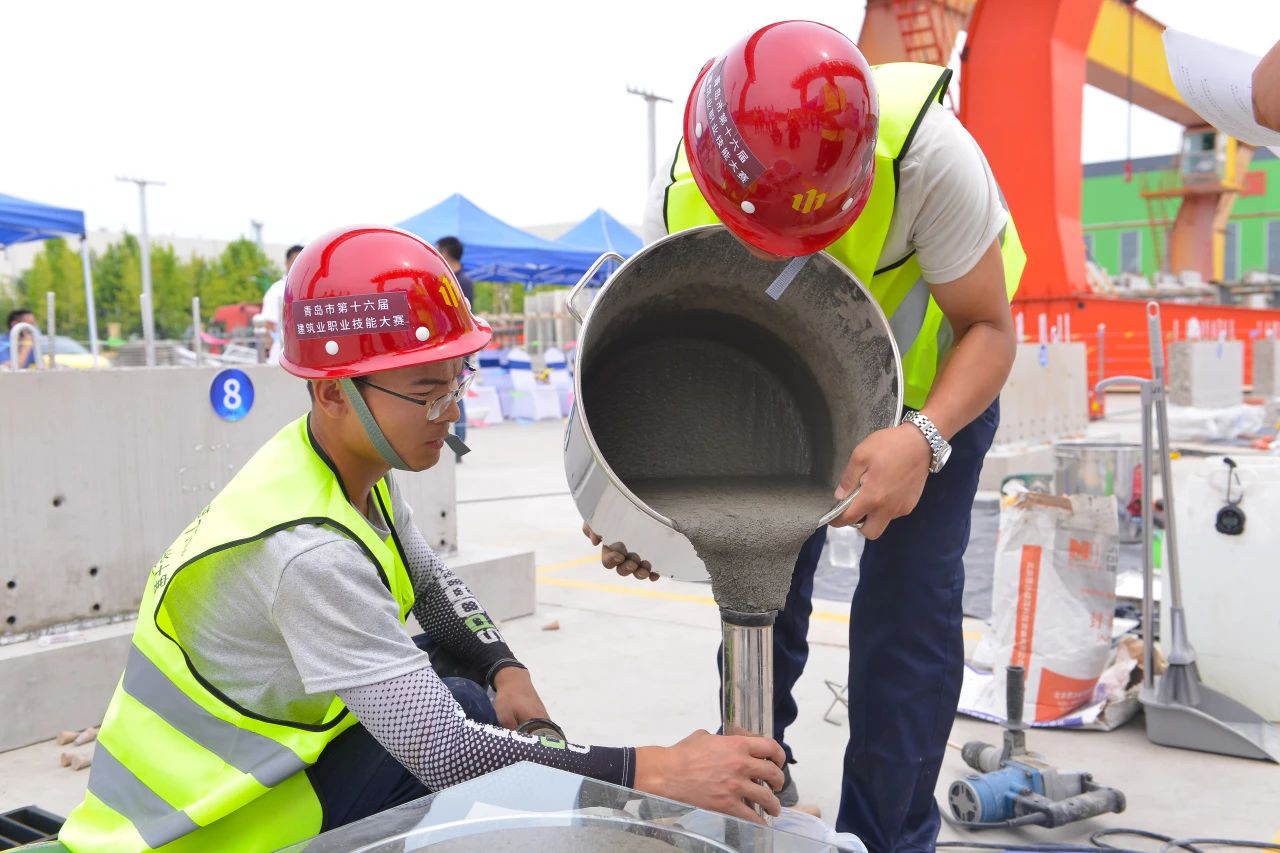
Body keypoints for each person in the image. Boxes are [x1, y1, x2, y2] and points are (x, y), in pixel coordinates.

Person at [58, 226, 784, 853]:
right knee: (466, 732)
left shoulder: (341, 468)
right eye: (427, 393)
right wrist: (655, 770)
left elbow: (432, 585)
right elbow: (443, 750)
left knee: (468, 692)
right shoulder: (306, 552)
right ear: (334, 391)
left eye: (456, 383)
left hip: (265, 772)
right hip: (206, 828)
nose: (450, 412)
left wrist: (505, 667)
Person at [590, 21, 1025, 852]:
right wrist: (626, 510)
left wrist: (924, 437)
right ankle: (756, 791)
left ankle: (884, 835)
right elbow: (651, 369)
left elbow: (990, 329)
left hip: (935, 396)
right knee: (758, 587)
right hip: (778, 400)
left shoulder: (928, 156)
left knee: (907, 619)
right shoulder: (681, 192)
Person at [435, 236, 475, 456]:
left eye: (438, 250)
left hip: (457, 348)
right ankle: (453, 444)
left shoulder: (460, 282)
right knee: (450, 394)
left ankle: (457, 444)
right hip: (449, 347)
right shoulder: (453, 279)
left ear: (446, 252)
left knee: (454, 394)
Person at [260, 244, 305, 365]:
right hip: (281, 357)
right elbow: (269, 325)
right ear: (287, 263)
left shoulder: (312, 287)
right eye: (295, 261)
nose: (299, 265)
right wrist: (267, 350)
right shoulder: (276, 290)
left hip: (306, 356)